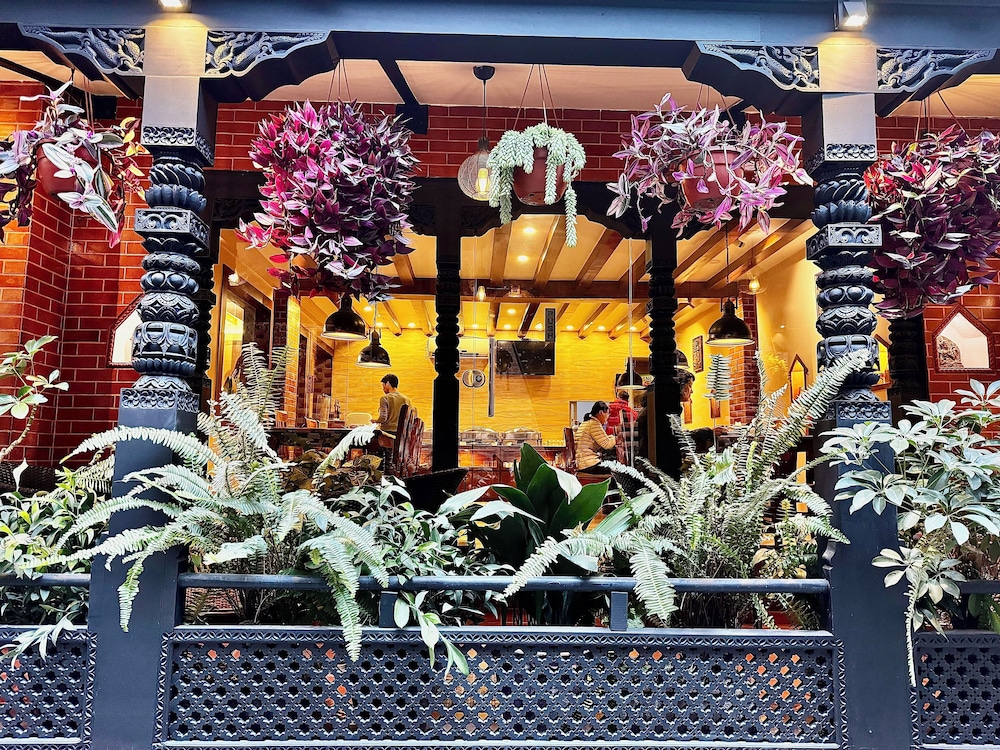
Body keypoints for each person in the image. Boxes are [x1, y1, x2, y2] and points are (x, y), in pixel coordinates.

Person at [574, 401, 617, 475]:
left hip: (582, 462)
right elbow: (607, 444)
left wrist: (612, 437)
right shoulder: (594, 424)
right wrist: (618, 438)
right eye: (607, 413)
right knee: (618, 471)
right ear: (601, 413)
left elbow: (603, 439)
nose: (608, 416)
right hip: (588, 464)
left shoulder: (587, 423)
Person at [373, 373, 412, 437]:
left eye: (383, 386)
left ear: (388, 384)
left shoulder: (385, 398)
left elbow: (383, 417)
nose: (383, 389)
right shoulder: (406, 399)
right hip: (402, 434)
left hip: (387, 433)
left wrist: (376, 421)